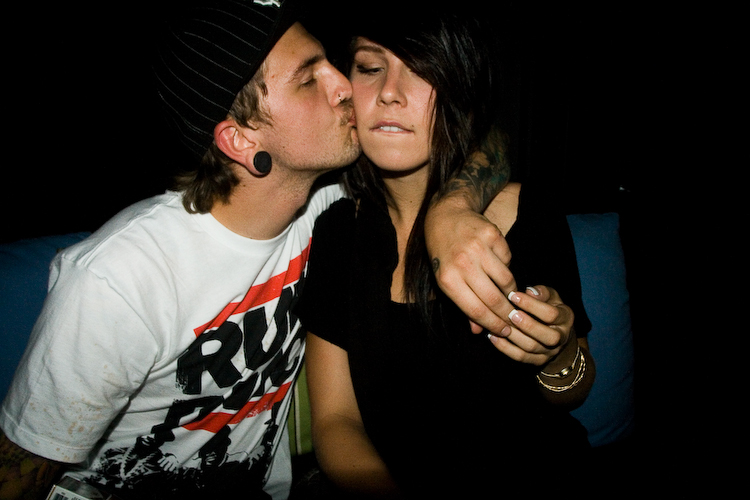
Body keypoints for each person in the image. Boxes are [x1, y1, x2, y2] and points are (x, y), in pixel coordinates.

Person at [0, 1, 513, 499]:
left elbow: (475, 130)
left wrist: (453, 208)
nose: (344, 86)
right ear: (241, 141)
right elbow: (19, 472)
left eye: (333, 64)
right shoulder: (120, 278)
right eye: (310, 79)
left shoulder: (324, 207)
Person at [296, 10, 596, 499]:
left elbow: (575, 393)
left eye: (421, 70)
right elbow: (335, 422)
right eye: (370, 68)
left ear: (459, 88)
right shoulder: (337, 231)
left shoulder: (527, 213)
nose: (390, 92)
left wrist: (557, 354)